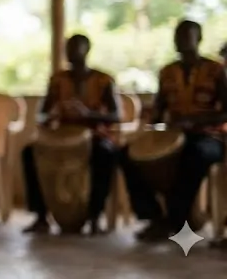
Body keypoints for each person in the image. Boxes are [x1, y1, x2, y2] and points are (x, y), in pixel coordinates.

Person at [120, 20, 227, 242]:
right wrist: (152, 115)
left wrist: (196, 119)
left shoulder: (216, 70)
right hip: (174, 135)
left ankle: (175, 220)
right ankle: (153, 216)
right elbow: (159, 112)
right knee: (126, 154)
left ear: (198, 39)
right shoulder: (167, 72)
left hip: (209, 137)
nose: (181, 40)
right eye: (178, 36)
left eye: (187, 35)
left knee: (194, 155)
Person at [21, 34, 122, 235]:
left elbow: (117, 115)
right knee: (28, 152)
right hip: (60, 137)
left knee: (106, 154)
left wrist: (88, 114)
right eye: (68, 48)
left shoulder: (104, 80)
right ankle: (40, 216)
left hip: (94, 136)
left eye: (76, 48)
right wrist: (52, 114)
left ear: (87, 50)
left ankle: (95, 216)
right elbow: (41, 114)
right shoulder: (58, 79)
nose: (71, 53)